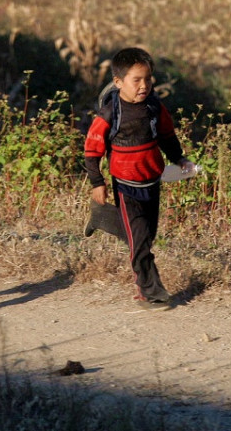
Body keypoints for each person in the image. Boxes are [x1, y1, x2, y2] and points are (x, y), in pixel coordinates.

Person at [84, 47, 194, 310]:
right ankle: (149, 291)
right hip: (126, 187)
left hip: (152, 182)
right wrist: (97, 183)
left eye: (148, 79)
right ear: (119, 82)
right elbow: (91, 151)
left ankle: (104, 219)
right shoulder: (111, 114)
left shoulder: (155, 106)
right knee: (141, 241)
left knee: (146, 235)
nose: (144, 85)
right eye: (137, 80)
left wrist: (180, 159)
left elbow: (167, 136)